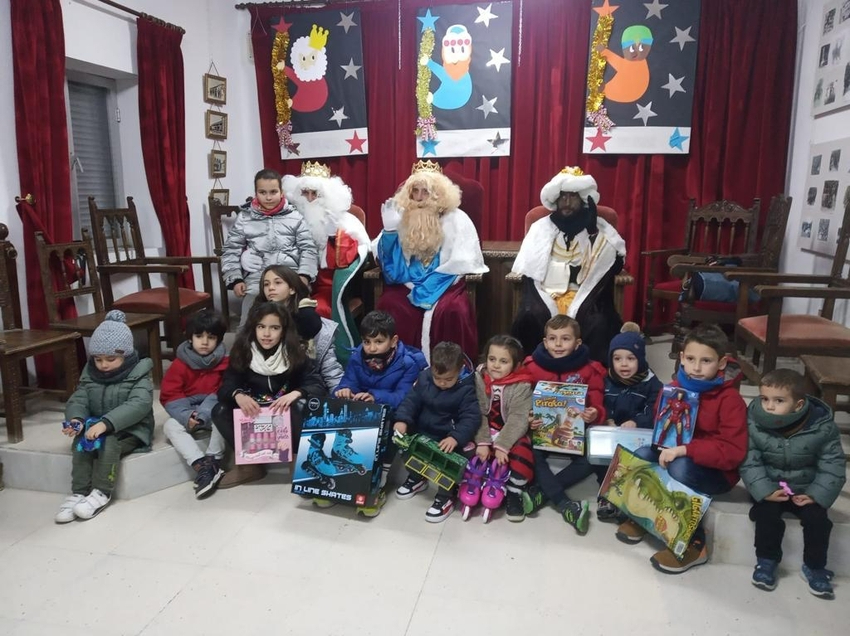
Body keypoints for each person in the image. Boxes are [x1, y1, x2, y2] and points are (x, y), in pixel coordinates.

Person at [616, 323, 747, 574]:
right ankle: (645, 517)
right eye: (690, 358)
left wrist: (686, 450)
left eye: (706, 361)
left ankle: (694, 545)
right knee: (642, 455)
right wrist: (664, 412)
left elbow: (732, 452)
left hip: (715, 471)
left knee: (679, 467)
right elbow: (662, 426)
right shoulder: (676, 386)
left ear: (722, 363)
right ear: (682, 358)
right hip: (677, 452)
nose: (696, 368)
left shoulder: (730, 400)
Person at [740, 369, 846, 599]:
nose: (769, 406)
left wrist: (817, 495)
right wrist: (764, 490)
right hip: (770, 487)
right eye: (764, 399)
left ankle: (815, 567)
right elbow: (749, 460)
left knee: (818, 521)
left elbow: (833, 464)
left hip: (806, 489)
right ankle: (766, 562)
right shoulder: (754, 423)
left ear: (798, 405)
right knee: (766, 517)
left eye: (778, 401)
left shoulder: (821, 426)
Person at [372, 160, 488, 362]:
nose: (418, 198)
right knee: (390, 304)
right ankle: (396, 367)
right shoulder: (402, 218)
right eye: (414, 191)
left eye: (425, 192)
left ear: (438, 193)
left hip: (445, 283)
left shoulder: (457, 218)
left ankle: (452, 371)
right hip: (407, 284)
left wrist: (431, 287)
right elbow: (393, 271)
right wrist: (390, 232)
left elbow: (463, 260)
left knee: (454, 311)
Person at [511, 166, 626, 363]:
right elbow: (528, 266)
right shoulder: (540, 227)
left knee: (599, 322)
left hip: (584, 294)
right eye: (563, 197)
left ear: (582, 200)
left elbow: (614, 263)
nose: (567, 202)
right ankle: (532, 369)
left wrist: (592, 233)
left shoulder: (597, 226)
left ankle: (590, 372)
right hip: (547, 293)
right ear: (555, 199)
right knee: (529, 317)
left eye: (572, 197)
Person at [212, 302, 327, 488]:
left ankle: (297, 463)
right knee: (220, 410)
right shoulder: (243, 351)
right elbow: (226, 385)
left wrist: (296, 393)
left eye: (274, 328)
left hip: (285, 414)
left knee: (301, 404)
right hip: (254, 412)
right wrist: (238, 394)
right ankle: (250, 466)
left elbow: (316, 384)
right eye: (261, 327)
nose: (266, 334)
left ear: (284, 330)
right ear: (253, 328)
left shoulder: (295, 352)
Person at [54, 311, 154, 523]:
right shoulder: (90, 373)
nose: (104, 365)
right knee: (81, 440)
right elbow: (79, 399)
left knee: (108, 442)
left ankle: (101, 492)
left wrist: (106, 423)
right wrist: (77, 420)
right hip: (95, 426)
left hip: (131, 429)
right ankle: (79, 492)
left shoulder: (139, 373)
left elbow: (139, 405)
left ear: (125, 356)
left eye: (111, 359)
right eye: (98, 359)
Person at [332, 310, 428, 516]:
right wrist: (345, 390)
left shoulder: (408, 363)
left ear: (393, 341)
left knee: (391, 423)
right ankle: (335, 477)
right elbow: (348, 381)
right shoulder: (357, 356)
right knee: (333, 410)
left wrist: (375, 396)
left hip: (393, 412)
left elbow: (403, 396)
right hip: (364, 410)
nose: (372, 348)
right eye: (367, 341)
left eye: (378, 341)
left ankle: (378, 478)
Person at [280, 161, 371, 360]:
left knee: (316, 308)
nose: (311, 199)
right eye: (305, 193)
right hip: (292, 281)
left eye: (316, 194)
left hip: (326, 285)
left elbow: (355, 256)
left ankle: (323, 361)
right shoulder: (289, 217)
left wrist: (334, 238)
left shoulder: (343, 220)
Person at [525, 314, 607, 534]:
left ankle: (542, 492)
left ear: (577, 343)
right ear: (545, 342)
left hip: (576, 432)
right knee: (531, 453)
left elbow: (598, 401)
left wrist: (594, 413)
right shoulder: (531, 367)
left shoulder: (590, 369)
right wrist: (529, 417)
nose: (558, 344)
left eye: (565, 339)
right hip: (542, 429)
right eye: (552, 339)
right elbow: (522, 400)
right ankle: (565, 504)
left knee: (591, 459)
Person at [392, 341, 479, 522]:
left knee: (446, 465)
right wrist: (402, 420)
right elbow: (411, 401)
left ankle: (446, 497)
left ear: (460, 369)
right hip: (424, 429)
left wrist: (455, 437)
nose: (442, 383)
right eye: (438, 377)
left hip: (447, 436)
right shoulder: (424, 378)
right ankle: (417, 478)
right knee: (408, 449)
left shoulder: (466, 388)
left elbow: (471, 418)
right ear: (432, 368)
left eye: (448, 379)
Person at [220, 168, 318, 327]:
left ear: (281, 192)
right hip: (258, 280)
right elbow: (231, 250)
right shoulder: (245, 218)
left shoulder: (295, 216)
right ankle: (248, 351)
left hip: (289, 278)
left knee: (302, 322)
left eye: (273, 191)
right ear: (256, 193)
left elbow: (308, 248)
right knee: (248, 323)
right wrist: (235, 278)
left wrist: (304, 276)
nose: (268, 197)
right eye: (263, 192)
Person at [161, 309, 230, 500]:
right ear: (190, 338)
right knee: (169, 426)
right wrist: (186, 415)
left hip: (212, 410)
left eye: (211, 337)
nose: (205, 342)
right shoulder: (180, 364)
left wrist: (204, 413)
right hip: (189, 412)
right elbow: (170, 393)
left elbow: (222, 392)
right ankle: (200, 464)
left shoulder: (225, 362)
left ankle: (213, 459)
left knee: (223, 413)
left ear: (219, 339)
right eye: (199, 336)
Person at [599, 321, 663, 521]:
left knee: (635, 462)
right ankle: (606, 495)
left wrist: (636, 422)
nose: (623, 364)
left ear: (641, 360)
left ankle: (626, 498)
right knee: (600, 461)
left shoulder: (652, 384)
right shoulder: (606, 379)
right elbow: (601, 402)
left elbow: (655, 412)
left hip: (637, 437)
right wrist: (607, 418)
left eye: (630, 358)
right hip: (610, 434)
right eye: (617, 359)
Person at [474, 335, 536, 522]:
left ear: (516, 365)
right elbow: (478, 412)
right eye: (492, 359)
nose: (496, 365)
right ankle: (473, 483)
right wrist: (483, 441)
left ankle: (514, 492)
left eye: (503, 361)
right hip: (485, 430)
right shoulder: (479, 378)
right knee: (470, 449)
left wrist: (502, 445)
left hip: (510, 432)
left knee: (522, 453)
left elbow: (519, 417)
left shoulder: (522, 385)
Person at [256, 264, 343, 393]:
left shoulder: (310, 321)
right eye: (266, 284)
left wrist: (340, 394)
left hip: (305, 388)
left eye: (278, 282)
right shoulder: (256, 318)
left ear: (292, 289)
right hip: (265, 390)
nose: (271, 288)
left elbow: (329, 368)